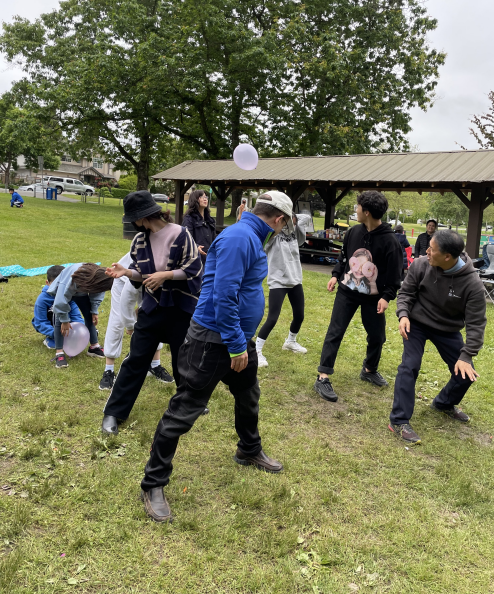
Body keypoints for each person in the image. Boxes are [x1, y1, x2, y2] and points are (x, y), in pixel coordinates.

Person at [139, 191, 291, 523]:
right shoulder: (240, 238)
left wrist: (241, 342)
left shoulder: (249, 235)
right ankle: (153, 483)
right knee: (184, 410)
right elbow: (223, 295)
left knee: (248, 395)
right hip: (214, 341)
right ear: (279, 220)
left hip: (237, 338)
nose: (282, 230)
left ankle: (248, 449)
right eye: (284, 225)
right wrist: (236, 345)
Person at [101, 191, 203, 434]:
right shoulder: (139, 241)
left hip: (180, 308)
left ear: (142, 216)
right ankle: (113, 412)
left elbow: (194, 269)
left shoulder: (181, 233)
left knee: (183, 358)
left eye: (133, 218)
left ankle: (190, 402)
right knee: (136, 359)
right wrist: (126, 272)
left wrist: (165, 275)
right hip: (151, 307)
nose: (133, 223)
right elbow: (142, 274)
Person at [389, 231, 486, 444]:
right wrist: (403, 315)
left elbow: (476, 324)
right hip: (417, 324)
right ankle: (399, 420)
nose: (427, 252)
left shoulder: (473, 284)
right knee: (409, 366)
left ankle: (443, 403)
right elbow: (406, 293)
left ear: (447, 257)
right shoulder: (421, 264)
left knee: (465, 373)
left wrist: (467, 355)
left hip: (447, 329)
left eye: (432, 249)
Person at [314, 191, 402, 402]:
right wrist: (335, 275)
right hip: (347, 292)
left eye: (358, 207)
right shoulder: (353, 232)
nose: (356, 210)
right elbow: (344, 257)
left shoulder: (390, 241)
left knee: (377, 336)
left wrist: (387, 297)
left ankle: (369, 370)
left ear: (367, 212)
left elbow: (396, 274)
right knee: (335, 331)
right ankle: (323, 376)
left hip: (374, 298)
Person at [99, 252, 171, 391]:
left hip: (151, 281)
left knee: (154, 318)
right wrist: (130, 325)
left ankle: (154, 365)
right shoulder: (146, 259)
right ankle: (109, 370)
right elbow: (127, 300)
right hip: (125, 279)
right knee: (117, 321)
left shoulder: (178, 260)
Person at [256, 212, 311, 367]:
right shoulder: (271, 236)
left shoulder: (295, 234)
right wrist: (281, 220)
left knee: (299, 315)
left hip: (295, 280)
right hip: (278, 281)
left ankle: (290, 342)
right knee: (272, 318)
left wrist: (292, 217)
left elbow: (306, 217)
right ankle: (257, 350)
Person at [48, 263, 112, 368]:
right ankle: (59, 353)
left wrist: (94, 310)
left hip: (81, 291)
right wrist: (65, 320)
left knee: (89, 316)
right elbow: (61, 301)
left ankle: (94, 347)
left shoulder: (99, 280)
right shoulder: (74, 279)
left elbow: (98, 292)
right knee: (60, 320)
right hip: (65, 289)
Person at [32, 265, 83, 349]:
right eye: (56, 285)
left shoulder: (69, 296)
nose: (59, 289)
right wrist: (55, 333)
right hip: (52, 328)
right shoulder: (42, 300)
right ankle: (51, 338)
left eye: (62, 285)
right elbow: (40, 322)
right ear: (47, 283)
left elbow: (76, 316)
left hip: (68, 326)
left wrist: (80, 329)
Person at [181, 189, 216, 262]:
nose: (205, 199)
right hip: (195, 260)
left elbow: (214, 240)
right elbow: (186, 239)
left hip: (209, 260)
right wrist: (196, 247)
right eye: (202, 197)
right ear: (195, 199)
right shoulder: (189, 219)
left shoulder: (210, 220)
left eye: (206, 197)